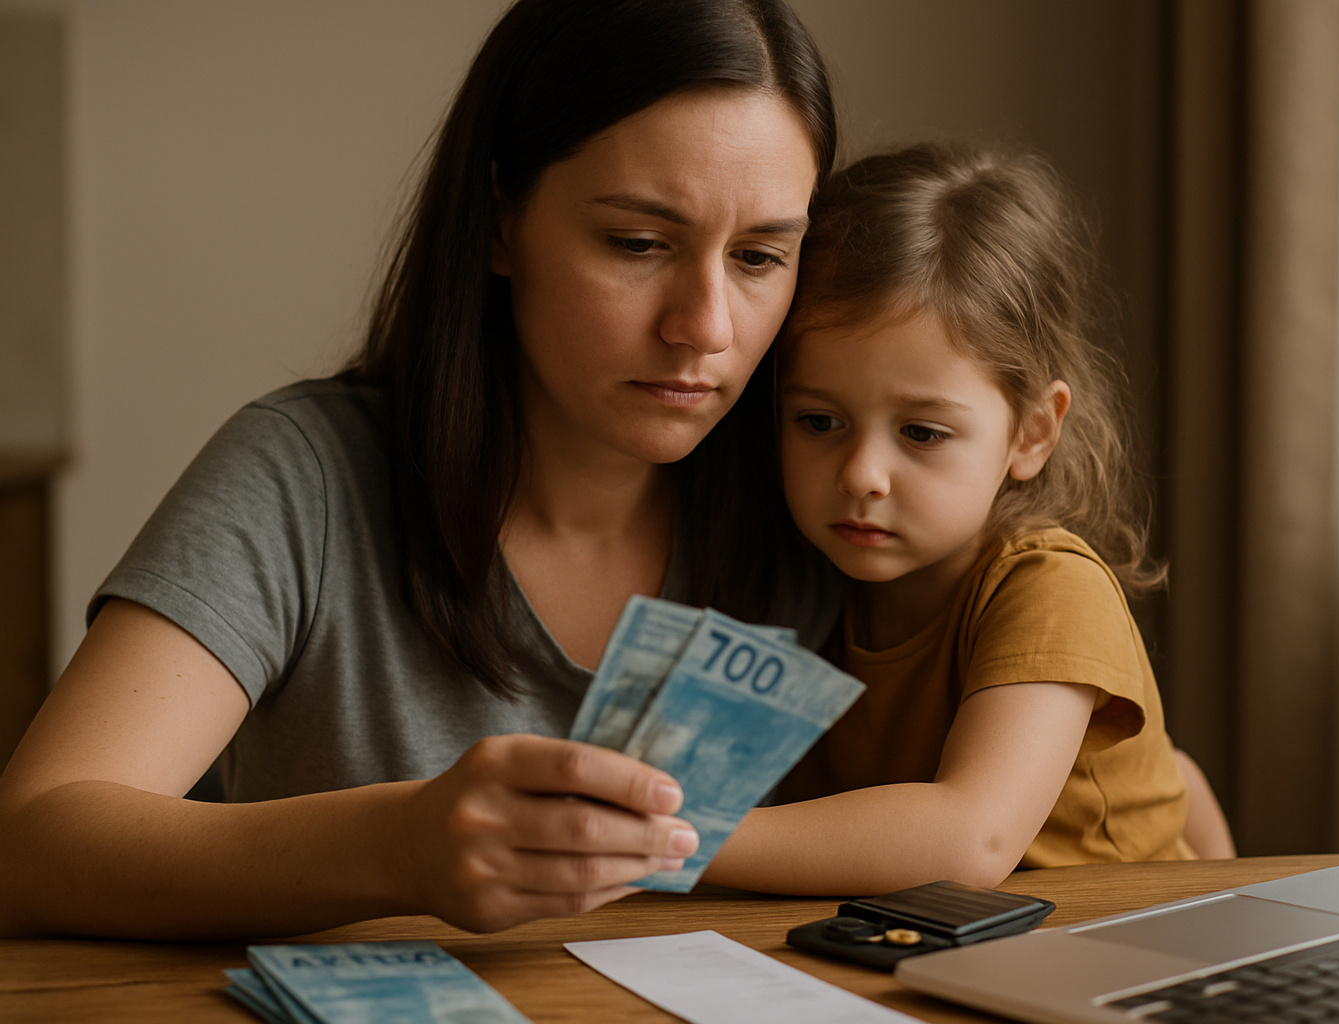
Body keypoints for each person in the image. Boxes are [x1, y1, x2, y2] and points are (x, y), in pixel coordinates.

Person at [0, 0, 838, 939]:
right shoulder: (306, 477)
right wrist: (397, 846)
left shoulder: (828, 500)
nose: (707, 328)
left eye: (762, 256)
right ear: (497, 222)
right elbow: (30, 842)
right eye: (639, 244)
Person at [699, 143, 1201, 897]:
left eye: (922, 434)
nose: (861, 476)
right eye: (818, 420)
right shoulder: (803, 583)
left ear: (1032, 432)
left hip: (1122, 947)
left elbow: (971, 839)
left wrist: (674, 838)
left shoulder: (1047, 586)